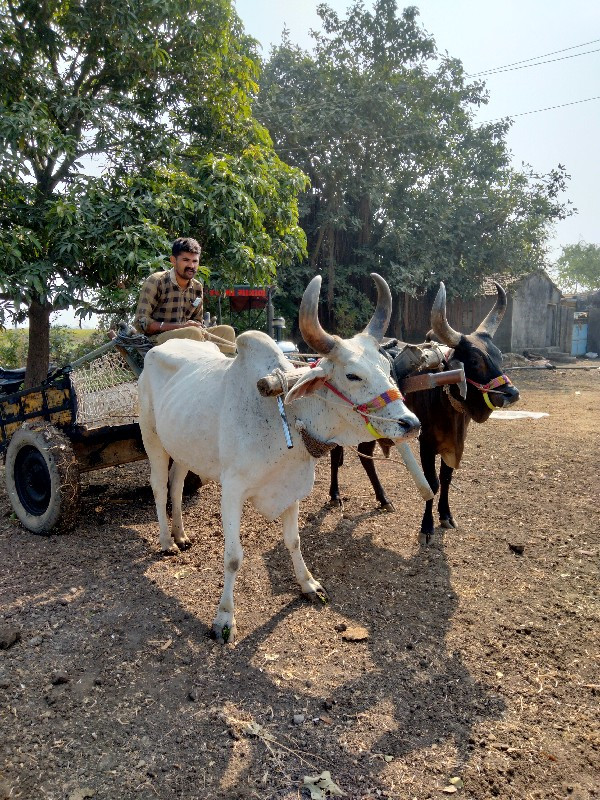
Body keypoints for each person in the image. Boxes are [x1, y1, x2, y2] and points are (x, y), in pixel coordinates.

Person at [134, 237, 236, 355]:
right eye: (186, 260)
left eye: (195, 261)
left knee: (227, 331)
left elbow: (197, 321)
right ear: (173, 260)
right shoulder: (156, 281)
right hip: (157, 340)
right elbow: (141, 323)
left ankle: (223, 370)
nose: (191, 266)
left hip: (190, 337)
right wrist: (180, 326)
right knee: (192, 333)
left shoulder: (197, 287)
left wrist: (198, 326)